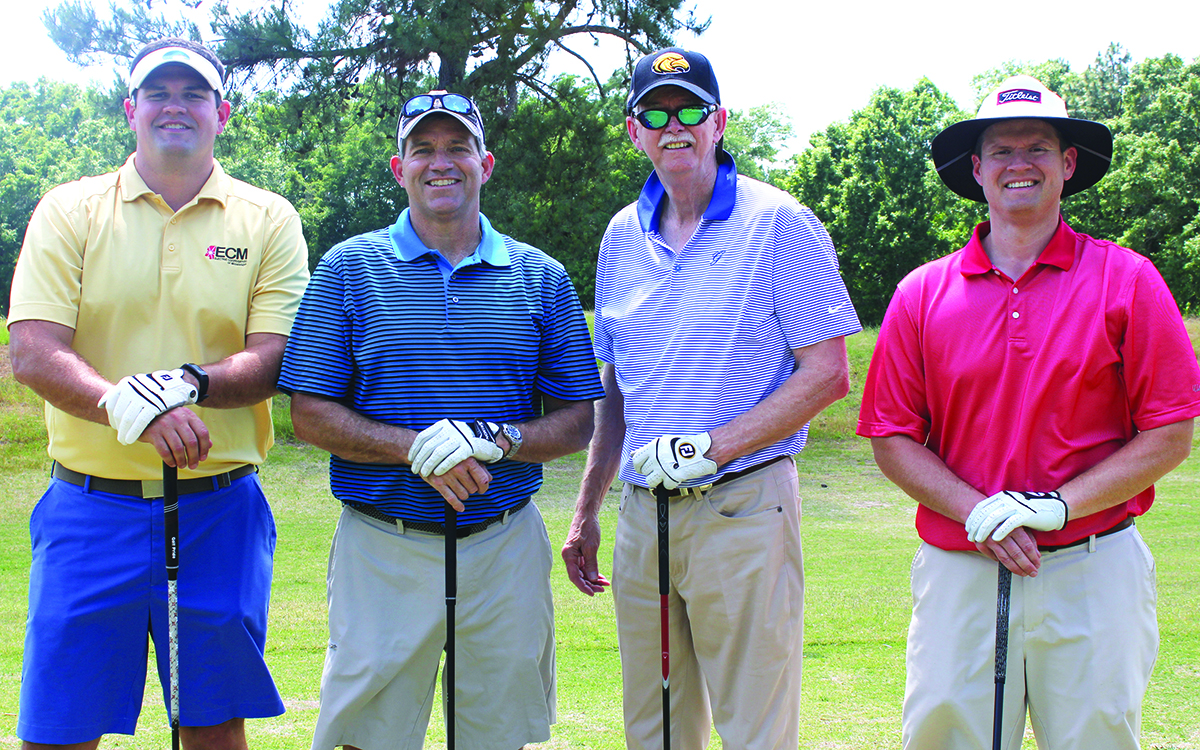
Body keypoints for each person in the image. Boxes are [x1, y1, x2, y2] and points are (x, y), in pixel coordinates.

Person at [858, 75, 1200, 749]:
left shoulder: (1128, 279)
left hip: (1091, 566)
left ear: (1067, 164)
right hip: (961, 566)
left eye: (1038, 147)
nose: (1020, 163)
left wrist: (1058, 506)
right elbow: (892, 436)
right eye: (1002, 150)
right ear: (977, 168)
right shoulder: (922, 292)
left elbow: (1169, 432)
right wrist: (977, 512)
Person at [277, 89, 605, 750]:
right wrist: (415, 449)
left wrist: (495, 439)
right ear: (399, 169)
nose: (441, 162)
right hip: (383, 544)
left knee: (497, 739)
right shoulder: (347, 269)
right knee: (366, 740)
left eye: (458, 147)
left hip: (503, 545)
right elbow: (308, 413)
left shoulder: (541, 276)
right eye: (422, 149)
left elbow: (578, 419)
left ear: (486, 164)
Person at [7, 37, 310, 750]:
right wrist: (130, 407)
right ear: (131, 110)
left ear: (221, 113)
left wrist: (186, 386)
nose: (176, 106)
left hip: (218, 510)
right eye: (159, 94)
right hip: (89, 508)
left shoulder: (268, 218)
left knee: (213, 728)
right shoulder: (70, 210)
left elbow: (275, 357)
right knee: (58, 730)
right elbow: (34, 350)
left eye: (194, 94)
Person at [561, 48, 862, 749]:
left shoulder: (779, 221)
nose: (674, 126)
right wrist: (586, 511)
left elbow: (827, 374)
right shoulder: (619, 236)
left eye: (690, 109)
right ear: (634, 131)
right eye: (655, 114)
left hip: (741, 505)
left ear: (719, 122)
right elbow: (616, 390)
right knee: (656, 730)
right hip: (643, 516)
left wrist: (712, 447)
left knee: (755, 730)